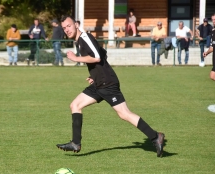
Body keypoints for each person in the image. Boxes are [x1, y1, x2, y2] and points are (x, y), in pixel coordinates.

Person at [56, 15, 165, 157]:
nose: (67, 30)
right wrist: (94, 75)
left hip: (108, 83)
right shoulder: (80, 40)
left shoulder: (85, 38)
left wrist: (76, 58)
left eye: (69, 26)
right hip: (98, 83)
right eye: (64, 28)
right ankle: (76, 143)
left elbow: (97, 57)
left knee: (124, 114)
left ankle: (156, 137)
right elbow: (103, 53)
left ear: (76, 24)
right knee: (75, 105)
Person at [203, 14, 215, 81]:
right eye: (212, 19)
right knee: (212, 75)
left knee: (212, 75)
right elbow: (213, 46)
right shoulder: (213, 31)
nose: (213, 21)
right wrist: (206, 53)